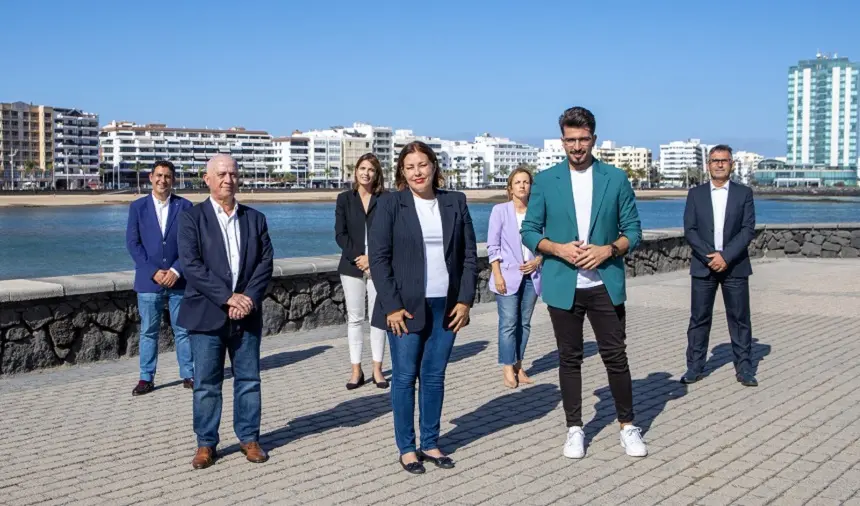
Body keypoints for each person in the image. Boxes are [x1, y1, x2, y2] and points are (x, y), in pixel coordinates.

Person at [521, 106, 646, 459]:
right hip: (563, 286)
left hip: (604, 285)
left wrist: (608, 250)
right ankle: (574, 428)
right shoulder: (545, 180)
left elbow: (633, 231)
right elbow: (529, 231)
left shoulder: (615, 178)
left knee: (616, 357)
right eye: (570, 140)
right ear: (562, 140)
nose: (577, 146)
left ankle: (628, 426)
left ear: (594, 138)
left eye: (583, 139)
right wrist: (557, 248)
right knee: (569, 358)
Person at [369, 141, 477, 475]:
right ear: (402, 171)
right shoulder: (389, 204)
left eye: (423, 165)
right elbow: (379, 258)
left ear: (434, 166)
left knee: (433, 376)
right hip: (403, 308)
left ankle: (430, 442)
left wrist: (465, 300)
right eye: (410, 166)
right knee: (404, 378)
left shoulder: (455, 202)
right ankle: (406, 448)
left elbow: (469, 257)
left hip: (446, 305)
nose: (417, 172)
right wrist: (392, 307)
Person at [178, 154, 274, 469]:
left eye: (232, 174)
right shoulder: (192, 218)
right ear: (207, 179)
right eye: (221, 174)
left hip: (247, 315)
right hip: (207, 315)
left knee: (248, 379)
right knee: (207, 382)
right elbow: (192, 266)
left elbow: (265, 263)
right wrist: (228, 298)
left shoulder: (255, 218)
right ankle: (206, 444)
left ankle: (249, 438)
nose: (227, 180)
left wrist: (247, 298)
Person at [681, 144, 758, 387]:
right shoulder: (695, 194)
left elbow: (747, 230)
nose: (719, 164)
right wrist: (710, 255)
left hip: (735, 266)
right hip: (704, 266)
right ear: (708, 165)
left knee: (739, 318)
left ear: (731, 164)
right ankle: (694, 367)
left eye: (724, 160)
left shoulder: (744, 193)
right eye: (715, 160)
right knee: (699, 318)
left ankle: (744, 368)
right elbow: (690, 230)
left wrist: (726, 256)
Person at [125, 160, 194, 396]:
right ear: (150, 177)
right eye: (159, 175)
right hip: (148, 281)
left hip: (179, 281)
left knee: (183, 329)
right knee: (148, 332)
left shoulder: (185, 206)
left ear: (173, 180)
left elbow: (191, 245)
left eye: (167, 176)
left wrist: (176, 270)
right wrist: (153, 271)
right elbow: (133, 244)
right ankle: (146, 378)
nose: (162, 180)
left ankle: (189, 374)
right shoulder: (138, 208)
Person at [335, 153, 389, 390]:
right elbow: (340, 234)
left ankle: (378, 368)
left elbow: (390, 233)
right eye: (362, 168)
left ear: (377, 174)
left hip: (379, 265)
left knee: (378, 319)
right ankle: (356, 369)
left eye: (371, 169)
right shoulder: (344, 199)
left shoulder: (386, 199)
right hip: (351, 267)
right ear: (355, 171)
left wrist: (373, 259)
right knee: (355, 319)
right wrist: (360, 259)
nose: (366, 173)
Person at [487, 167, 542, 389]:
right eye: (517, 182)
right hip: (507, 276)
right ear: (510, 188)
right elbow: (493, 245)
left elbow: (546, 242)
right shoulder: (500, 211)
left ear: (531, 186)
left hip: (532, 275)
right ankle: (508, 367)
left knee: (525, 323)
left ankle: (519, 365)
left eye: (526, 182)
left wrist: (538, 261)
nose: (522, 185)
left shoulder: (537, 212)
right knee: (509, 323)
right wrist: (497, 274)